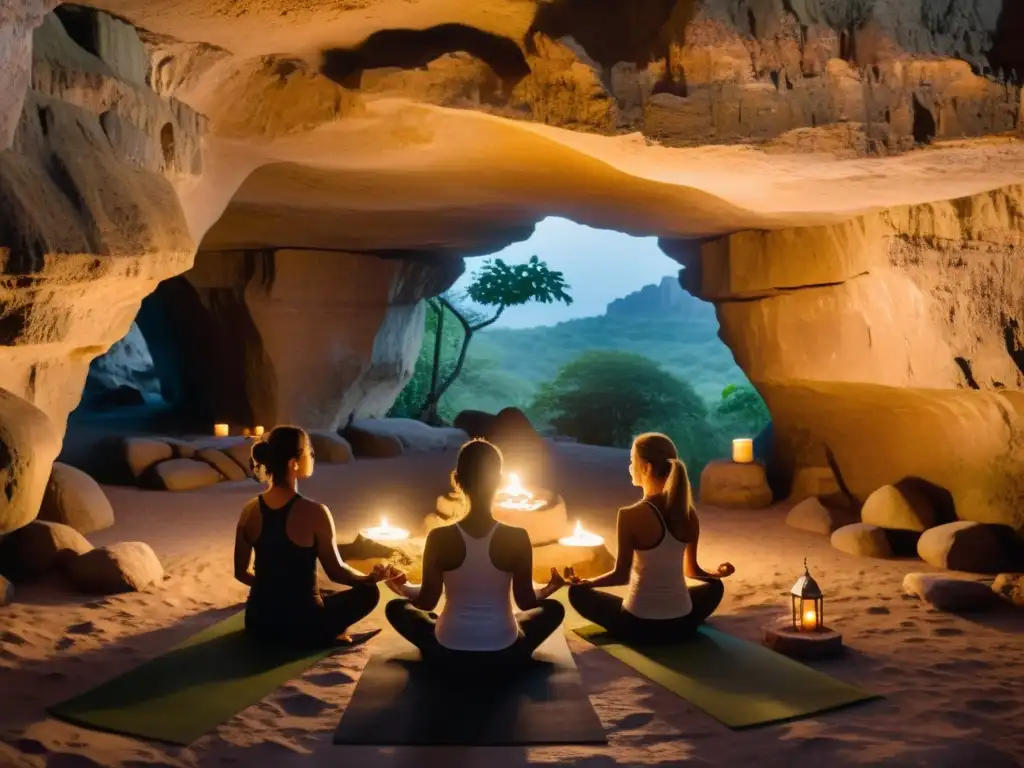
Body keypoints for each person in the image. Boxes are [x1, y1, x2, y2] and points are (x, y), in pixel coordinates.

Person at [384, 438, 566, 666]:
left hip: (447, 651)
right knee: (554, 609)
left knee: (396, 608)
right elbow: (526, 602)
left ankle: (449, 650)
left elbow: (427, 602)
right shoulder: (517, 537)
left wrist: (403, 588)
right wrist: (551, 587)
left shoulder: (439, 537)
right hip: (504, 652)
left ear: (456, 480)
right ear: (499, 481)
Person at [565, 432, 733, 644]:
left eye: (632, 461)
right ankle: (677, 622)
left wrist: (585, 583)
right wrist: (716, 574)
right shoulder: (688, 513)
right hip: (683, 623)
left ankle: (636, 629)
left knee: (577, 594)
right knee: (715, 587)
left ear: (646, 468)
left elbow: (620, 576)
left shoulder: (630, 515)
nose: (629, 467)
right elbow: (693, 571)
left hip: (638, 626)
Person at [234, 425, 387, 647]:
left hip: (259, 622)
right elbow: (336, 572)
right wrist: (369, 579)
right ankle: (326, 634)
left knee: (318, 593)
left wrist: (273, 591)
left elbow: (240, 572)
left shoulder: (249, 509)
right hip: (303, 626)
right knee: (368, 593)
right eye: (308, 450)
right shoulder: (316, 512)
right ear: (293, 462)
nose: (312, 455)